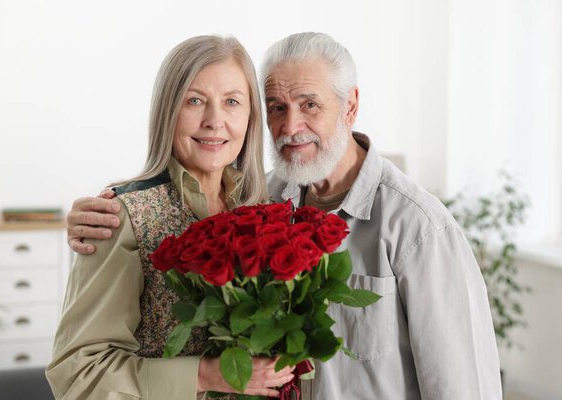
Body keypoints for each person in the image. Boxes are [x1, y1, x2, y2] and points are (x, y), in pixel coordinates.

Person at [66, 32, 503, 399]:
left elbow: (464, 387)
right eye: (276, 106)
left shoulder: (419, 228)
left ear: (349, 106)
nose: (291, 126)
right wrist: (117, 211)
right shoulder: (261, 203)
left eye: (310, 104)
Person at [46, 35, 296, 400]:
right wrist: (207, 375)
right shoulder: (121, 217)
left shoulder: (264, 211)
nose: (215, 121)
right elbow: (80, 374)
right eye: (195, 101)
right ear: (167, 111)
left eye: (231, 102)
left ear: (250, 117)